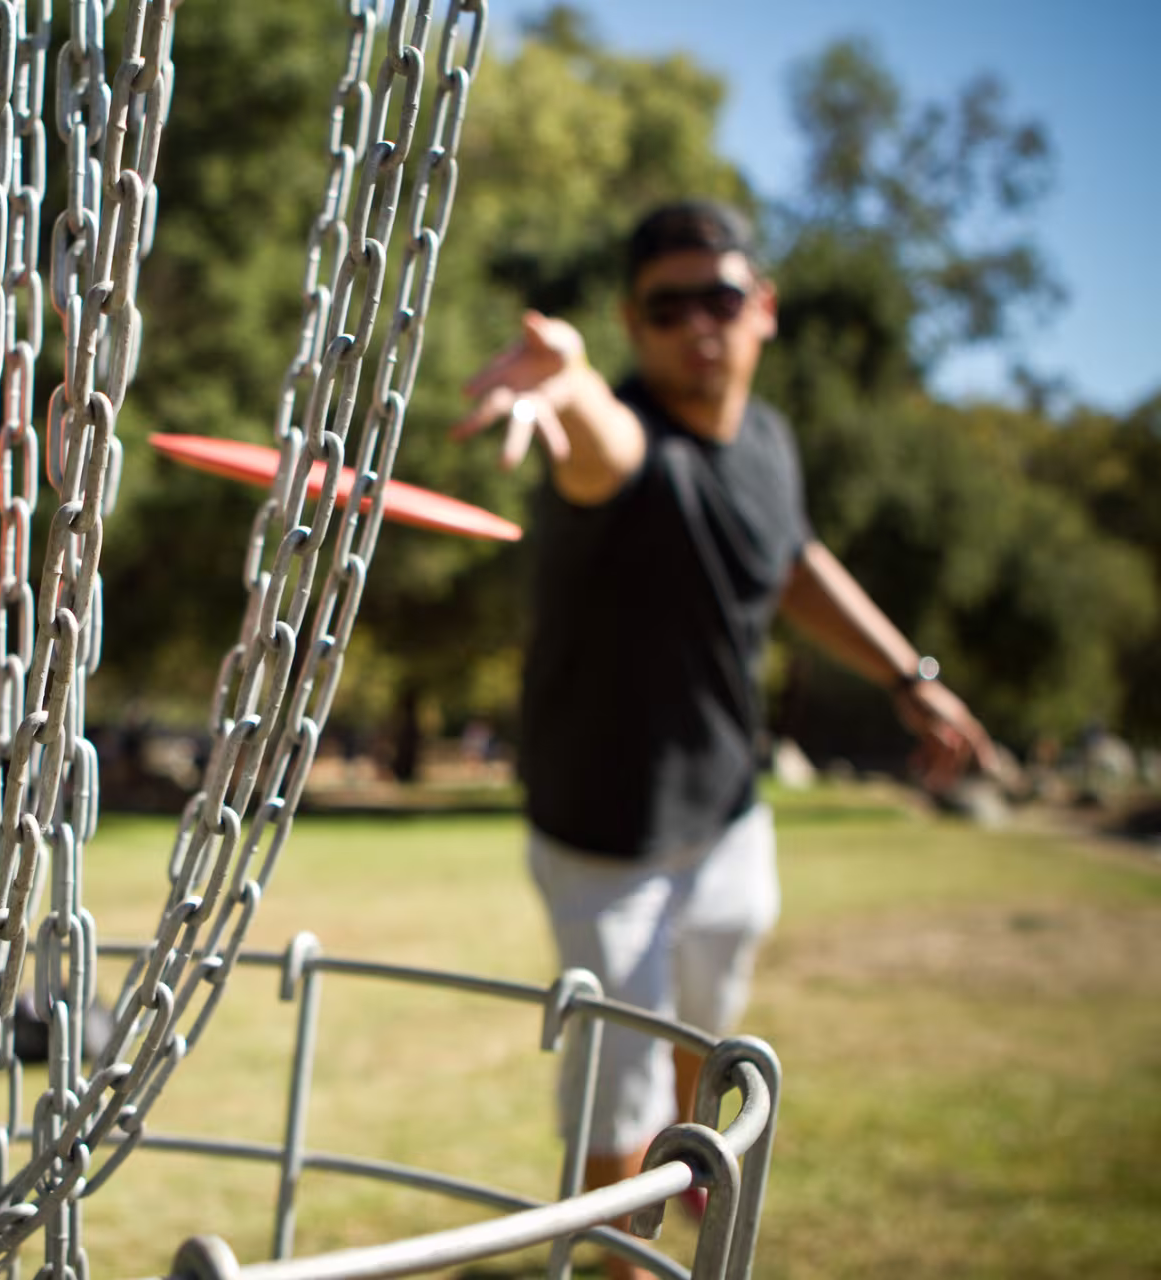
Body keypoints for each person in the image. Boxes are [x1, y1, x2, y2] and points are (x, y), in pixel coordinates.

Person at [451, 200, 1005, 1279]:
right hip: (604, 834)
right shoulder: (620, 440)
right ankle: (623, 1256)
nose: (698, 324)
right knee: (616, 1073)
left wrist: (910, 674)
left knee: (706, 1036)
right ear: (633, 323)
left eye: (720, 297)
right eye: (667, 307)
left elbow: (790, 560)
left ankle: (682, 1158)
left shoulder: (766, 442)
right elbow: (601, 445)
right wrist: (562, 384)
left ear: (764, 308)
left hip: (727, 812)